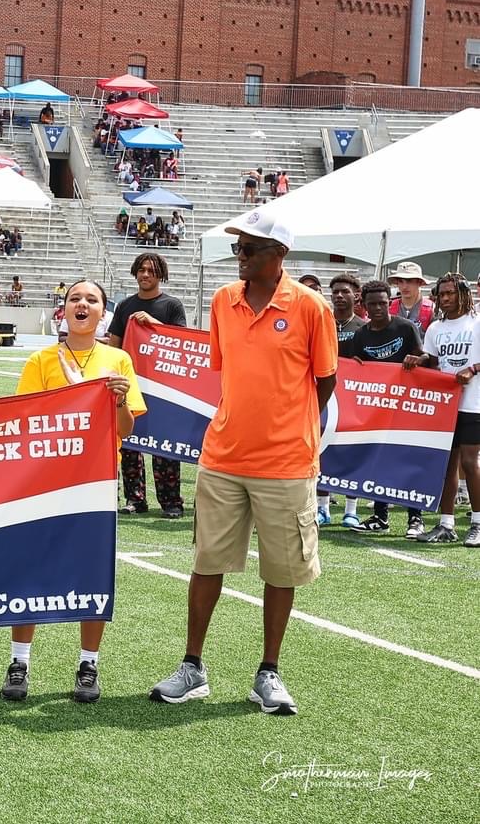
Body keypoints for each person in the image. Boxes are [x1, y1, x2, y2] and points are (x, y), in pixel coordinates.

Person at [150, 210, 336, 717]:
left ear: (279, 255)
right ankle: (192, 667)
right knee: (207, 561)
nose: (240, 255)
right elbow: (225, 370)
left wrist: (288, 424)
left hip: (287, 462)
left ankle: (268, 672)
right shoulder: (221, 301)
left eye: (249, 248)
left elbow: (325, 381)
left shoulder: (312, 307)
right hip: (223, 455)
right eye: (238, 247)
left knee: (282, 570)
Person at [2, 278, 145, 704]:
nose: (82, 304)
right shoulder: (42, 359)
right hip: (44, 484)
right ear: (63, 310)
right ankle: (19, 662)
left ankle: (88, 664)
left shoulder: (118, 360)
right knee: (30, 570)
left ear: (104, 312)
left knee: (91, 573)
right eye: (74, 299)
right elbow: (25, 421)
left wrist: (118, 402)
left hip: (97, 483)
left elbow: (125, 431)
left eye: (92, 300)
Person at [343, 280, 425, 538]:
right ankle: (380, 515)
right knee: (378, 459)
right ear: (364, 306)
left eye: (382, 302)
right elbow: (356, 367)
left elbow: (426, 358)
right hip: (378, 409)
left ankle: (416, 519)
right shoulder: (361, 335)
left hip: (407, 407)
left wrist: (418, 359)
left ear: (389, 302)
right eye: (372, 304)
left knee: (408, 460)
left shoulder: (406, 327)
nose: (378, 308)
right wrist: (355, 366)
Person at [108, 253, 188, 518]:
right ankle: (135, 499)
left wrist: (154, 324)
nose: (145, 274)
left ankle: (172, 502)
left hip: (164, 387)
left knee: (165, 444)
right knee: (130, 444)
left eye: (151, 271)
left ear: (160, 274)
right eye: (141, 270)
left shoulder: (171, 305)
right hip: (131, 384)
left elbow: (180, 342)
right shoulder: (124, 306)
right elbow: (114, 344)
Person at [408, 274, 480, 546]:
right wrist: (421, 359)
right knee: (447, 465)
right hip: (445, 406)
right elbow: (434, 361)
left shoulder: (476, 323)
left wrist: (472, 369)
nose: (446, 298)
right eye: (442, 294)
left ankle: (477, 522)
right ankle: (446, 524)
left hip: (473, 402)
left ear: (464, 293)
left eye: (451, 293)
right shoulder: (436, 328)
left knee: (470, 462)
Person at [318, 273, 368, 527]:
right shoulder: (321, 321)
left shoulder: (364, 327)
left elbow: (371, 365)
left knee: (351, 451)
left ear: (356, 295)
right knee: (322, 449)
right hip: (326, 397)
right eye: (335, 291)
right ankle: (323, 508)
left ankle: (351, 510)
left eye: (345, 292)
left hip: (354, 401)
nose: (339, 296)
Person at [387, 261, 434, 340]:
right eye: (401, 281)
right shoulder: (388, 308)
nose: (404, 287)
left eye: (409, 281)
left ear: (419, 282)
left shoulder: (432, 309)